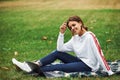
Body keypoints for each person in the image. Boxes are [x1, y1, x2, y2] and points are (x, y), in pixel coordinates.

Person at [12, 15, 114, 76]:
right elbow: (60, 49)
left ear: (80, 23)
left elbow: (99, 54)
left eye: (74, 25)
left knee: (60, 66)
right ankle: (37, 64)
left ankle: (31, 70)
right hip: (79, 62)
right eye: (70, 27)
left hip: (89, 66)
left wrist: (108, 71)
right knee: (57, 53)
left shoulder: (90, 36)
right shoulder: (75, 38)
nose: (72, 28)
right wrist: (61, 33)